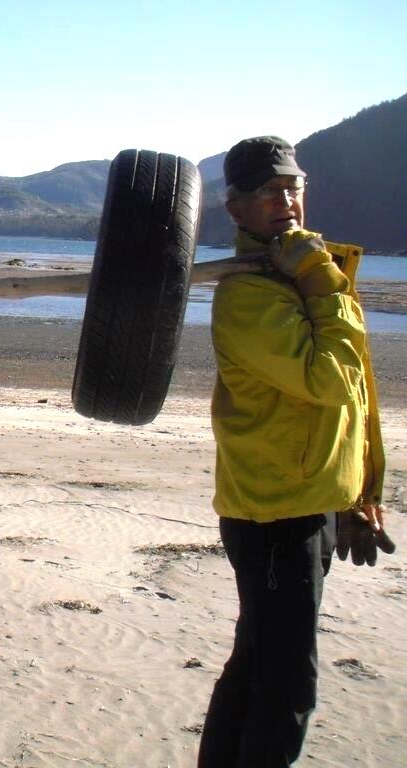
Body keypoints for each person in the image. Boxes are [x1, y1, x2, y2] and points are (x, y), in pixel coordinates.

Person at [197, 136, 395, 767]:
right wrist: (320, 277)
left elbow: (348, 406)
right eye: (266, 192)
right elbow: (332, 378)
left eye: (293, 187)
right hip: (274, 517)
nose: (285, 202)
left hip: (300, 505)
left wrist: (352, 497)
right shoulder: (252, 293)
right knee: (285, 691)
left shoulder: (296, 278)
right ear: (236, 210)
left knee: (257, 666)